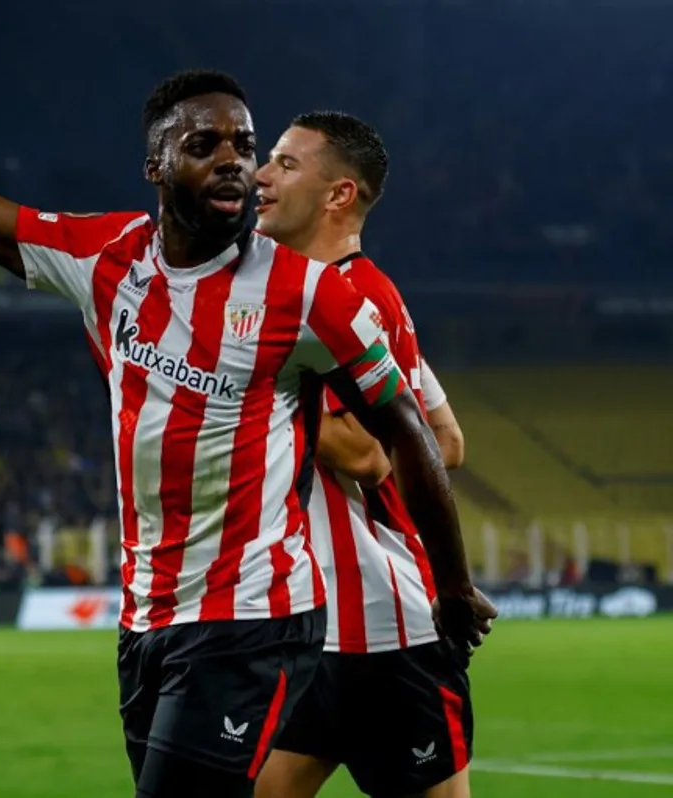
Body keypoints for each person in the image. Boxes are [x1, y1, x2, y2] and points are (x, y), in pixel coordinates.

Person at [0, 28, 488, 795]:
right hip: (149, 619)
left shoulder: (308, 294)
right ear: (155, 164)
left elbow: (408, 429)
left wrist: (450, 585)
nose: (234, 162)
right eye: (204, 144)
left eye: (244, 146)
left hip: (253, 614)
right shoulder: (103, 261)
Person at [251, 111, 496, 798]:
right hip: (316, 625)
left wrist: (249, 390)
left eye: (286, 164)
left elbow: (366, 454)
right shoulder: (356, 298)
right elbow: (444, 439)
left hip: (388, 635)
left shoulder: (352, 298)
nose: (260, 177)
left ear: (339, 195)